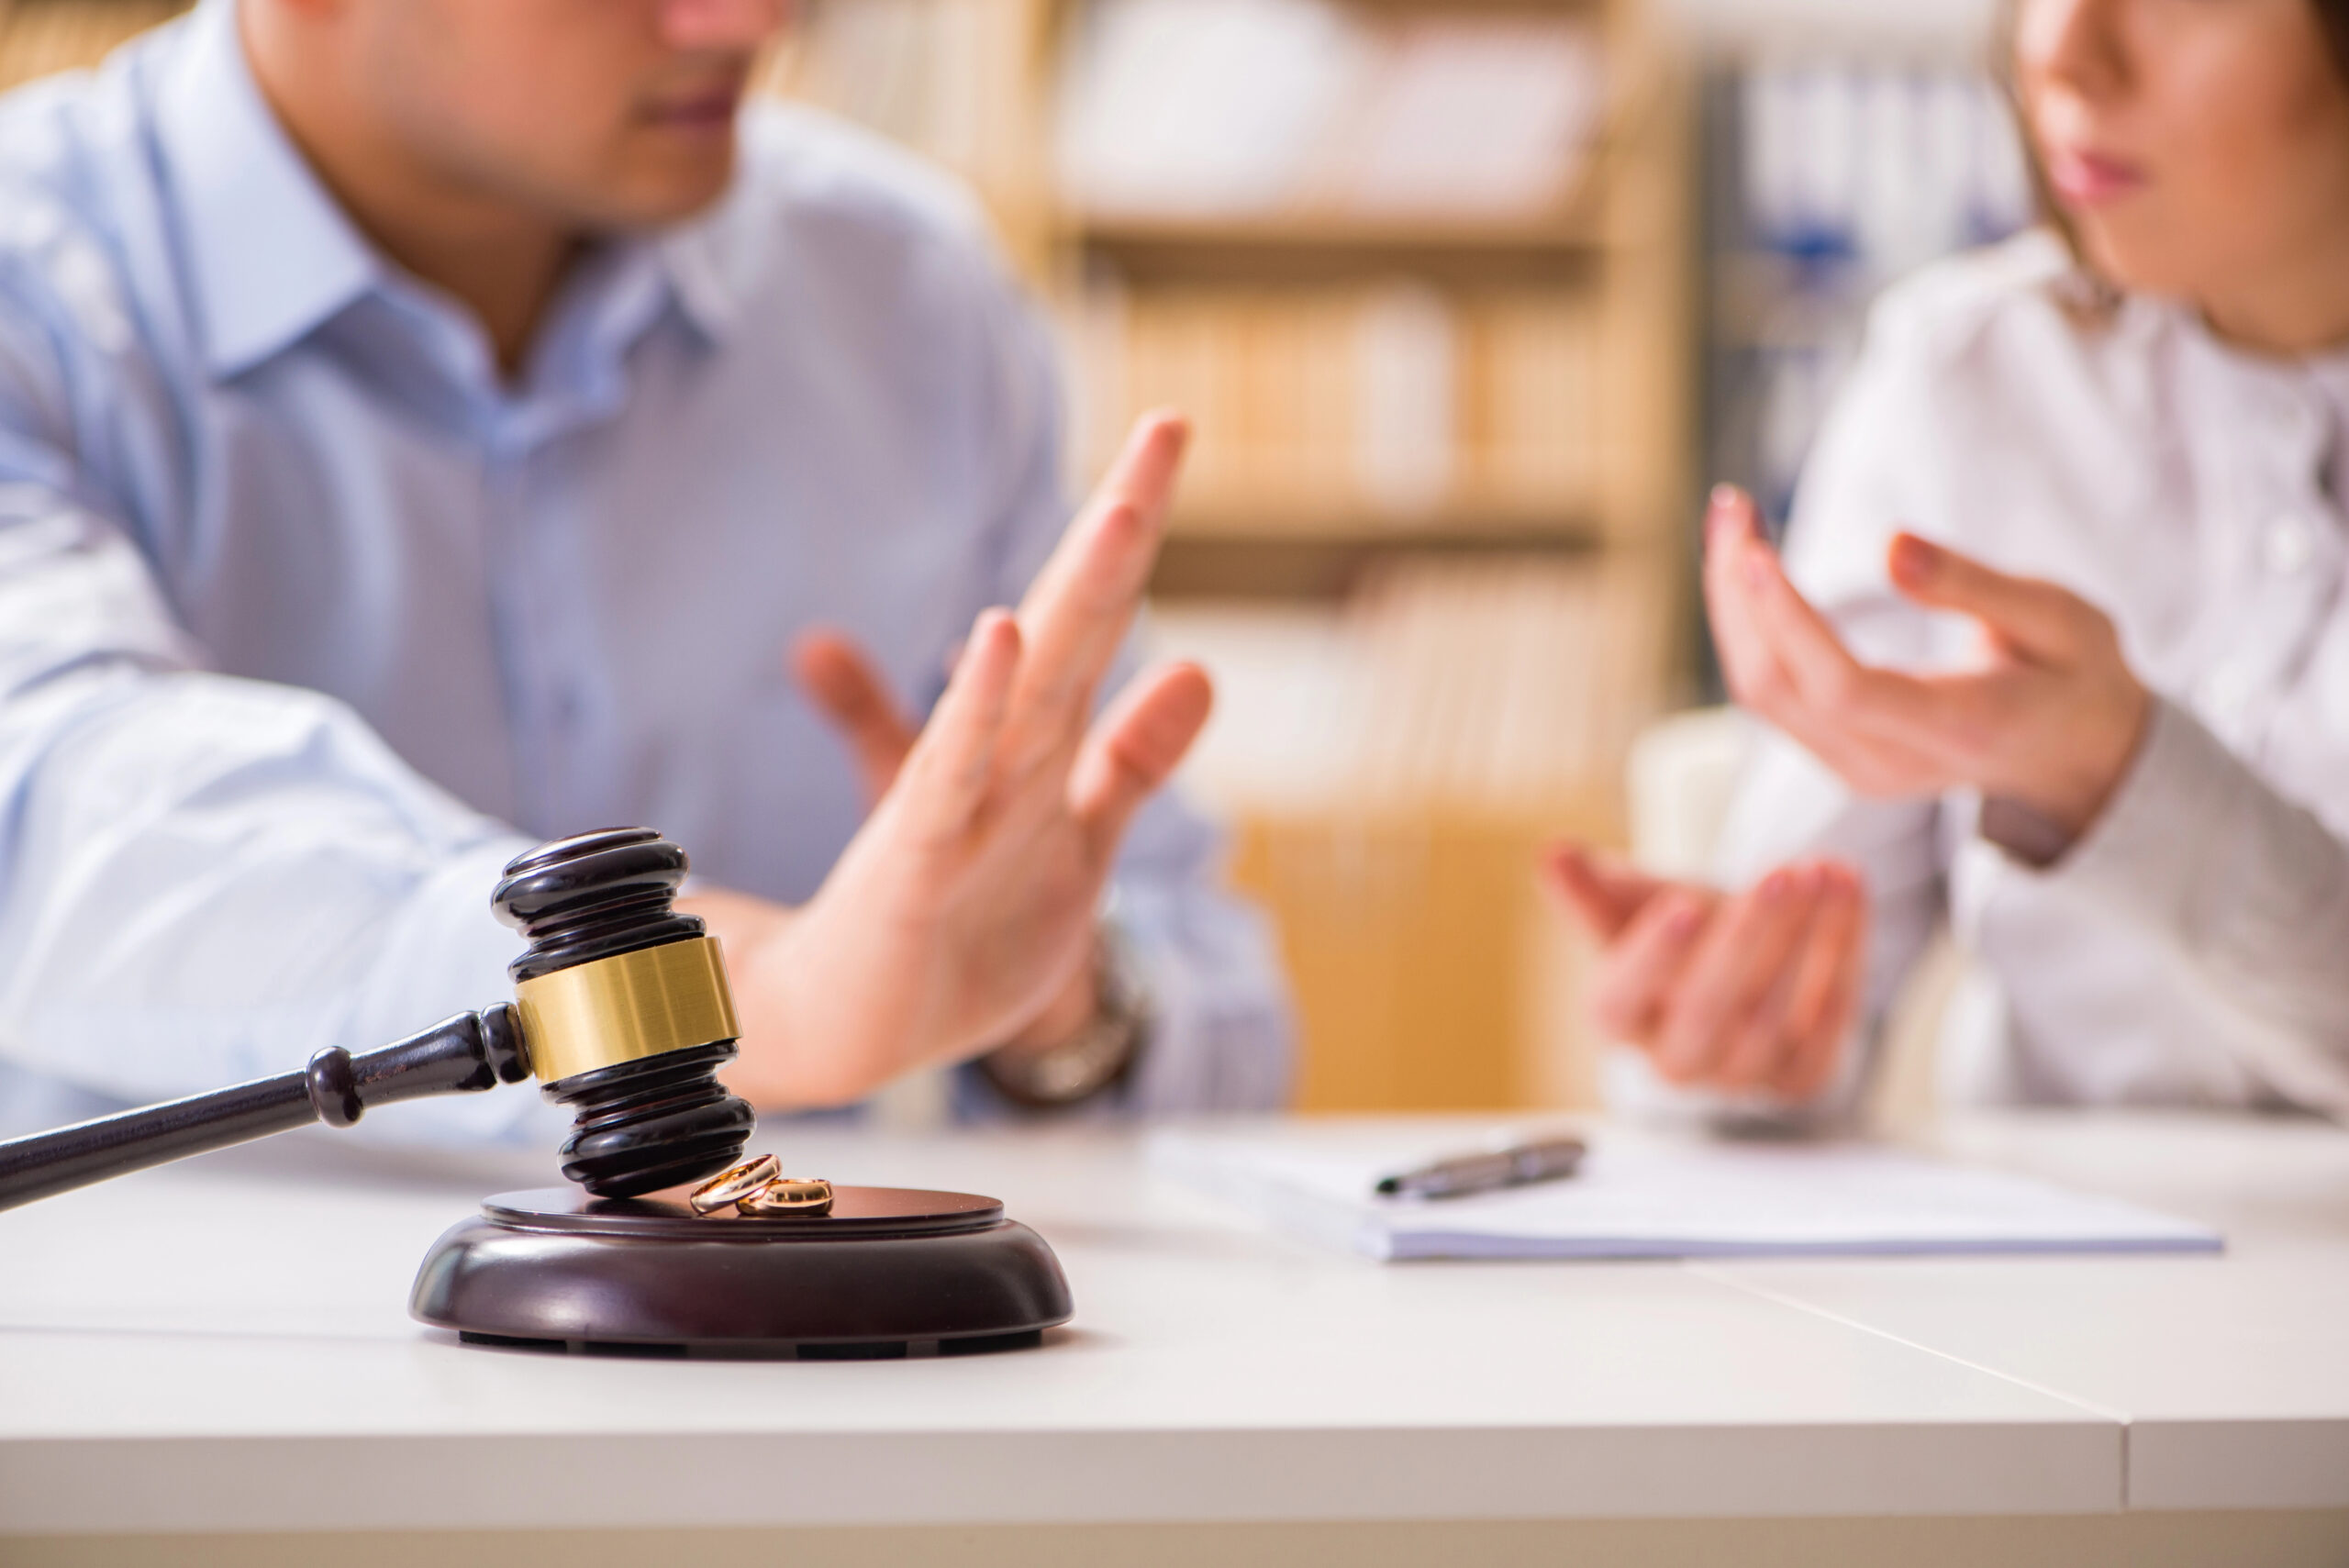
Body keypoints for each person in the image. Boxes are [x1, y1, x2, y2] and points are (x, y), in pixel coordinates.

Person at [0, 0, 1293, 1143]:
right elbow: (54, 812)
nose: (752, 18)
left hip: (809, 1376)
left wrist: (1052, 1013)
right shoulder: (36, 284)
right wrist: (713, 995)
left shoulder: (907, 295)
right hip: (186, 1380)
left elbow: (1216, 1008)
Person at [1553, 0, 2349, 1122]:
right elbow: (1813, 986)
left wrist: (2124, 777)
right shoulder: (1968, 370)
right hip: (2049, 1280)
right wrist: (1728, 1024)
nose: (2061, 51)